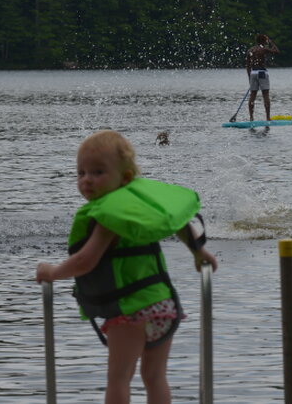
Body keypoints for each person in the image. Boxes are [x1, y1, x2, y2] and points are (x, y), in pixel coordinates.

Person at [35, 130, 218, 404]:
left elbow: (85, 261)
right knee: (155, 376)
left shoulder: (110, 217)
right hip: (163, 307)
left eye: (98, 172)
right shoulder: (143, 207)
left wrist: (52, 272)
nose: (87, 180)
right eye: (81, 173)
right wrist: (198, 251)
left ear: (126, 177)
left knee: (119, 378)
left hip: (131, 312)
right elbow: (178, 222)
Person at [246, 34, 279, 121]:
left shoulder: (250, 50)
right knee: (265, 95)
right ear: (264, 41)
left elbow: (248, 66)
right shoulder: (264, 49)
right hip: (262, 73)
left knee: (252, 96)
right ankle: (268, 118)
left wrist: (250, 78)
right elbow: (276, 51)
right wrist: (270, 42)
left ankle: (251, 117)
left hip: (253, 73)